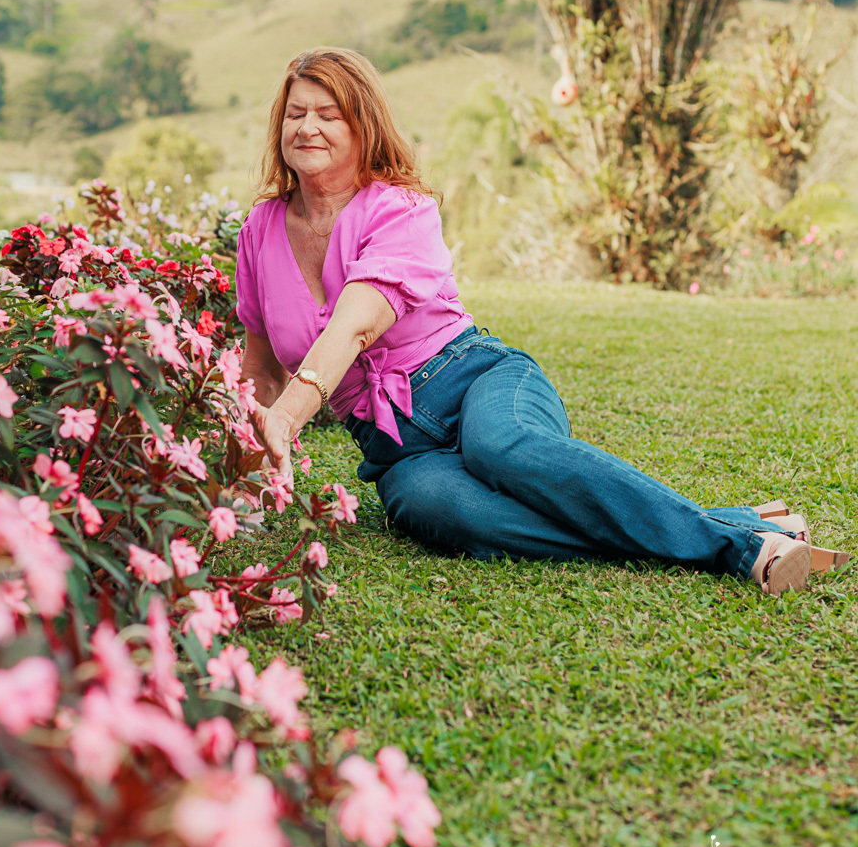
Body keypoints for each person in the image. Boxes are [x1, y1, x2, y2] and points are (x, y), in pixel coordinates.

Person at [236, 47, 815, 596]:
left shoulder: (401, 209)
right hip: (397, 448)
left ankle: (734, 546)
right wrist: (253, 439)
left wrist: (288, 416)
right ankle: (728, 523)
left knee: (502, 448)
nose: (307, 127)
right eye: (295, 113)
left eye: (327, 114)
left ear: (363, 127)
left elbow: (356, 326)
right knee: (441, 511)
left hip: (471, 377)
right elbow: (260, 368)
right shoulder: (258, 233)